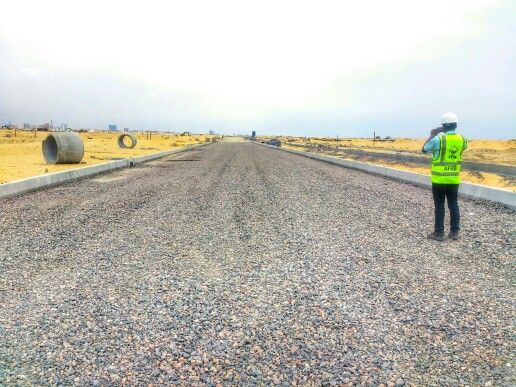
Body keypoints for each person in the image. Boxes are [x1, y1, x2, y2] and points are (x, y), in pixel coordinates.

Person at [422, 112, 468, 241]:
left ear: (444, 126)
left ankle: (439, 233)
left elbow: (424, 149)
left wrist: (433, 134)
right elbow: (461, 149)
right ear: (455, 125)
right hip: (454, 178)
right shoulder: (463, 140)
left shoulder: (439, 139)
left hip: (439, 179)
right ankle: (454, 232)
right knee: (453, 203)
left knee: (440, 204)